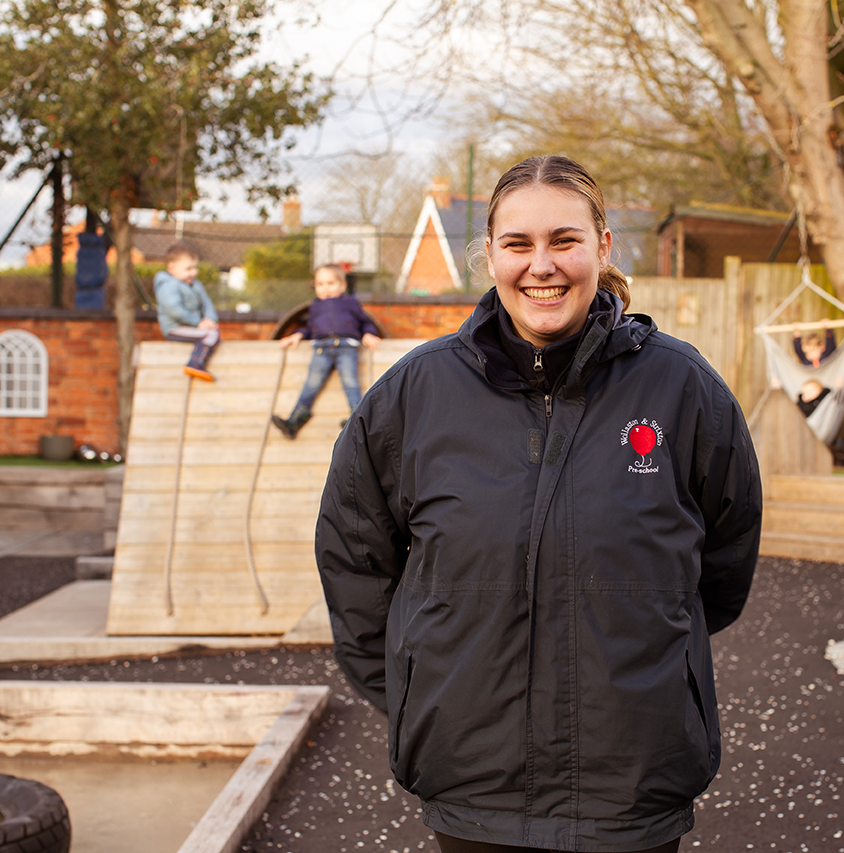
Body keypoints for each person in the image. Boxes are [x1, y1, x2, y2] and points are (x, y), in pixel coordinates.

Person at [317, 155, 761, 853]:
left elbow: (725, 562)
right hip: (474, 786)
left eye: (564, 240)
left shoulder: (683, 389)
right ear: (489, 254)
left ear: (603, 247)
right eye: (518, 244)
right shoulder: (415, 397)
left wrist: (654, 655)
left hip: (632, 786)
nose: (541, 265)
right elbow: (354, 559)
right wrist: (417, 684)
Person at [272, 264, 382, 437]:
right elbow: (309, 327)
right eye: (320, 284)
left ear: (342, 285)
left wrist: (368, 333)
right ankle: (294, 421)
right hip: (321, 348)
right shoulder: (316, 306)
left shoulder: (350, 303)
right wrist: (297, 335)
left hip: (346, 346)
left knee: (350, 382)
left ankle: (359, 420)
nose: (325, 288)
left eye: (330, 283)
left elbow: (365, 321)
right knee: (311, 383)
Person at [154, 243, 219, 381]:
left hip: (193, 327)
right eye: (188, 269)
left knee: (213, 332)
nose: (194, 272)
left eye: (195, 267)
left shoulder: (196, 285)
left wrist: (210, 320)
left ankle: (197, 362)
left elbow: (207, 304)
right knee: (210, 334)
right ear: (171, 269)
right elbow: (175, 310)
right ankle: (195, 363)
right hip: (175, 329)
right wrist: (198, 323)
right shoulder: (168, 286)